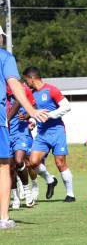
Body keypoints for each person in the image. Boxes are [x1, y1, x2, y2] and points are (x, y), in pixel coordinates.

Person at [0, 26, 48, 229]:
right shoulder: (5, 57)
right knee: (3, 165)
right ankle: (3, 218)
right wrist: (32, 110)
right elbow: (15, 84)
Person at [23, 66, 75, 202]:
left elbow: (67, 106)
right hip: (42, 133)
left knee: (60, 163)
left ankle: (70, 194)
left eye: (26, 80)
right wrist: (33, 121)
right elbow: (35, 113)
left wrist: (50, 115)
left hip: (57, 131)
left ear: (31, 78)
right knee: (32, 162)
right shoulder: (31, 94)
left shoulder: (51, 89)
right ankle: (50, 180)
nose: (26, 83)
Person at [7, 84, 35, 208]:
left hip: (20, 132)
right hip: (5, 134)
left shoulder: (17, 87)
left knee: (19, 161)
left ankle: (27, 190)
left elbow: (24, 103)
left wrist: (28, 116)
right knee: (9, 167)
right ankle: (15, 197)